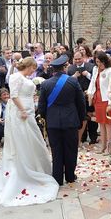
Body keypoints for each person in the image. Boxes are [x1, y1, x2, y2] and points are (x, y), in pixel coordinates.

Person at [0, 57, 58, 206]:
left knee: (34, 138)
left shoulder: (24, 77)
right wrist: (23, 110)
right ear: (29, 66)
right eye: (33, 68)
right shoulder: (15, 77)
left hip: (28, 110)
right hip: (21, 113)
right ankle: (23, 167)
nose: (33, 71)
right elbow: (14, 95)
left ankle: (35, 165)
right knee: (24, 139)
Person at [38, 55, 86, 186]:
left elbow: (41, 107)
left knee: (56, 151)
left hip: (53, 122)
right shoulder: (73, 81)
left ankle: (57, 178)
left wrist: (46, 118)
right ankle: (70, 176)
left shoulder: (45, 84)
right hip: (71, 121)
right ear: (65, 67)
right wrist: (81, 119)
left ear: (53, 69)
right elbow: (81, 103)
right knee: (71, 150)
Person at [87, 52, 111, 155]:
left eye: (99, 62)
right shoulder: (96, 69)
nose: (98, 64)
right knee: (101, 123)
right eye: (96, 62)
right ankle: (102, 146)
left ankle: (110, 147)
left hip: (106, 100)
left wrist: (110, 103)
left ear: (104, 61)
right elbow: (92, 82)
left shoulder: (110, 72)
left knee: (108, 125)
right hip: (98, 99)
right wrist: (90, 93)